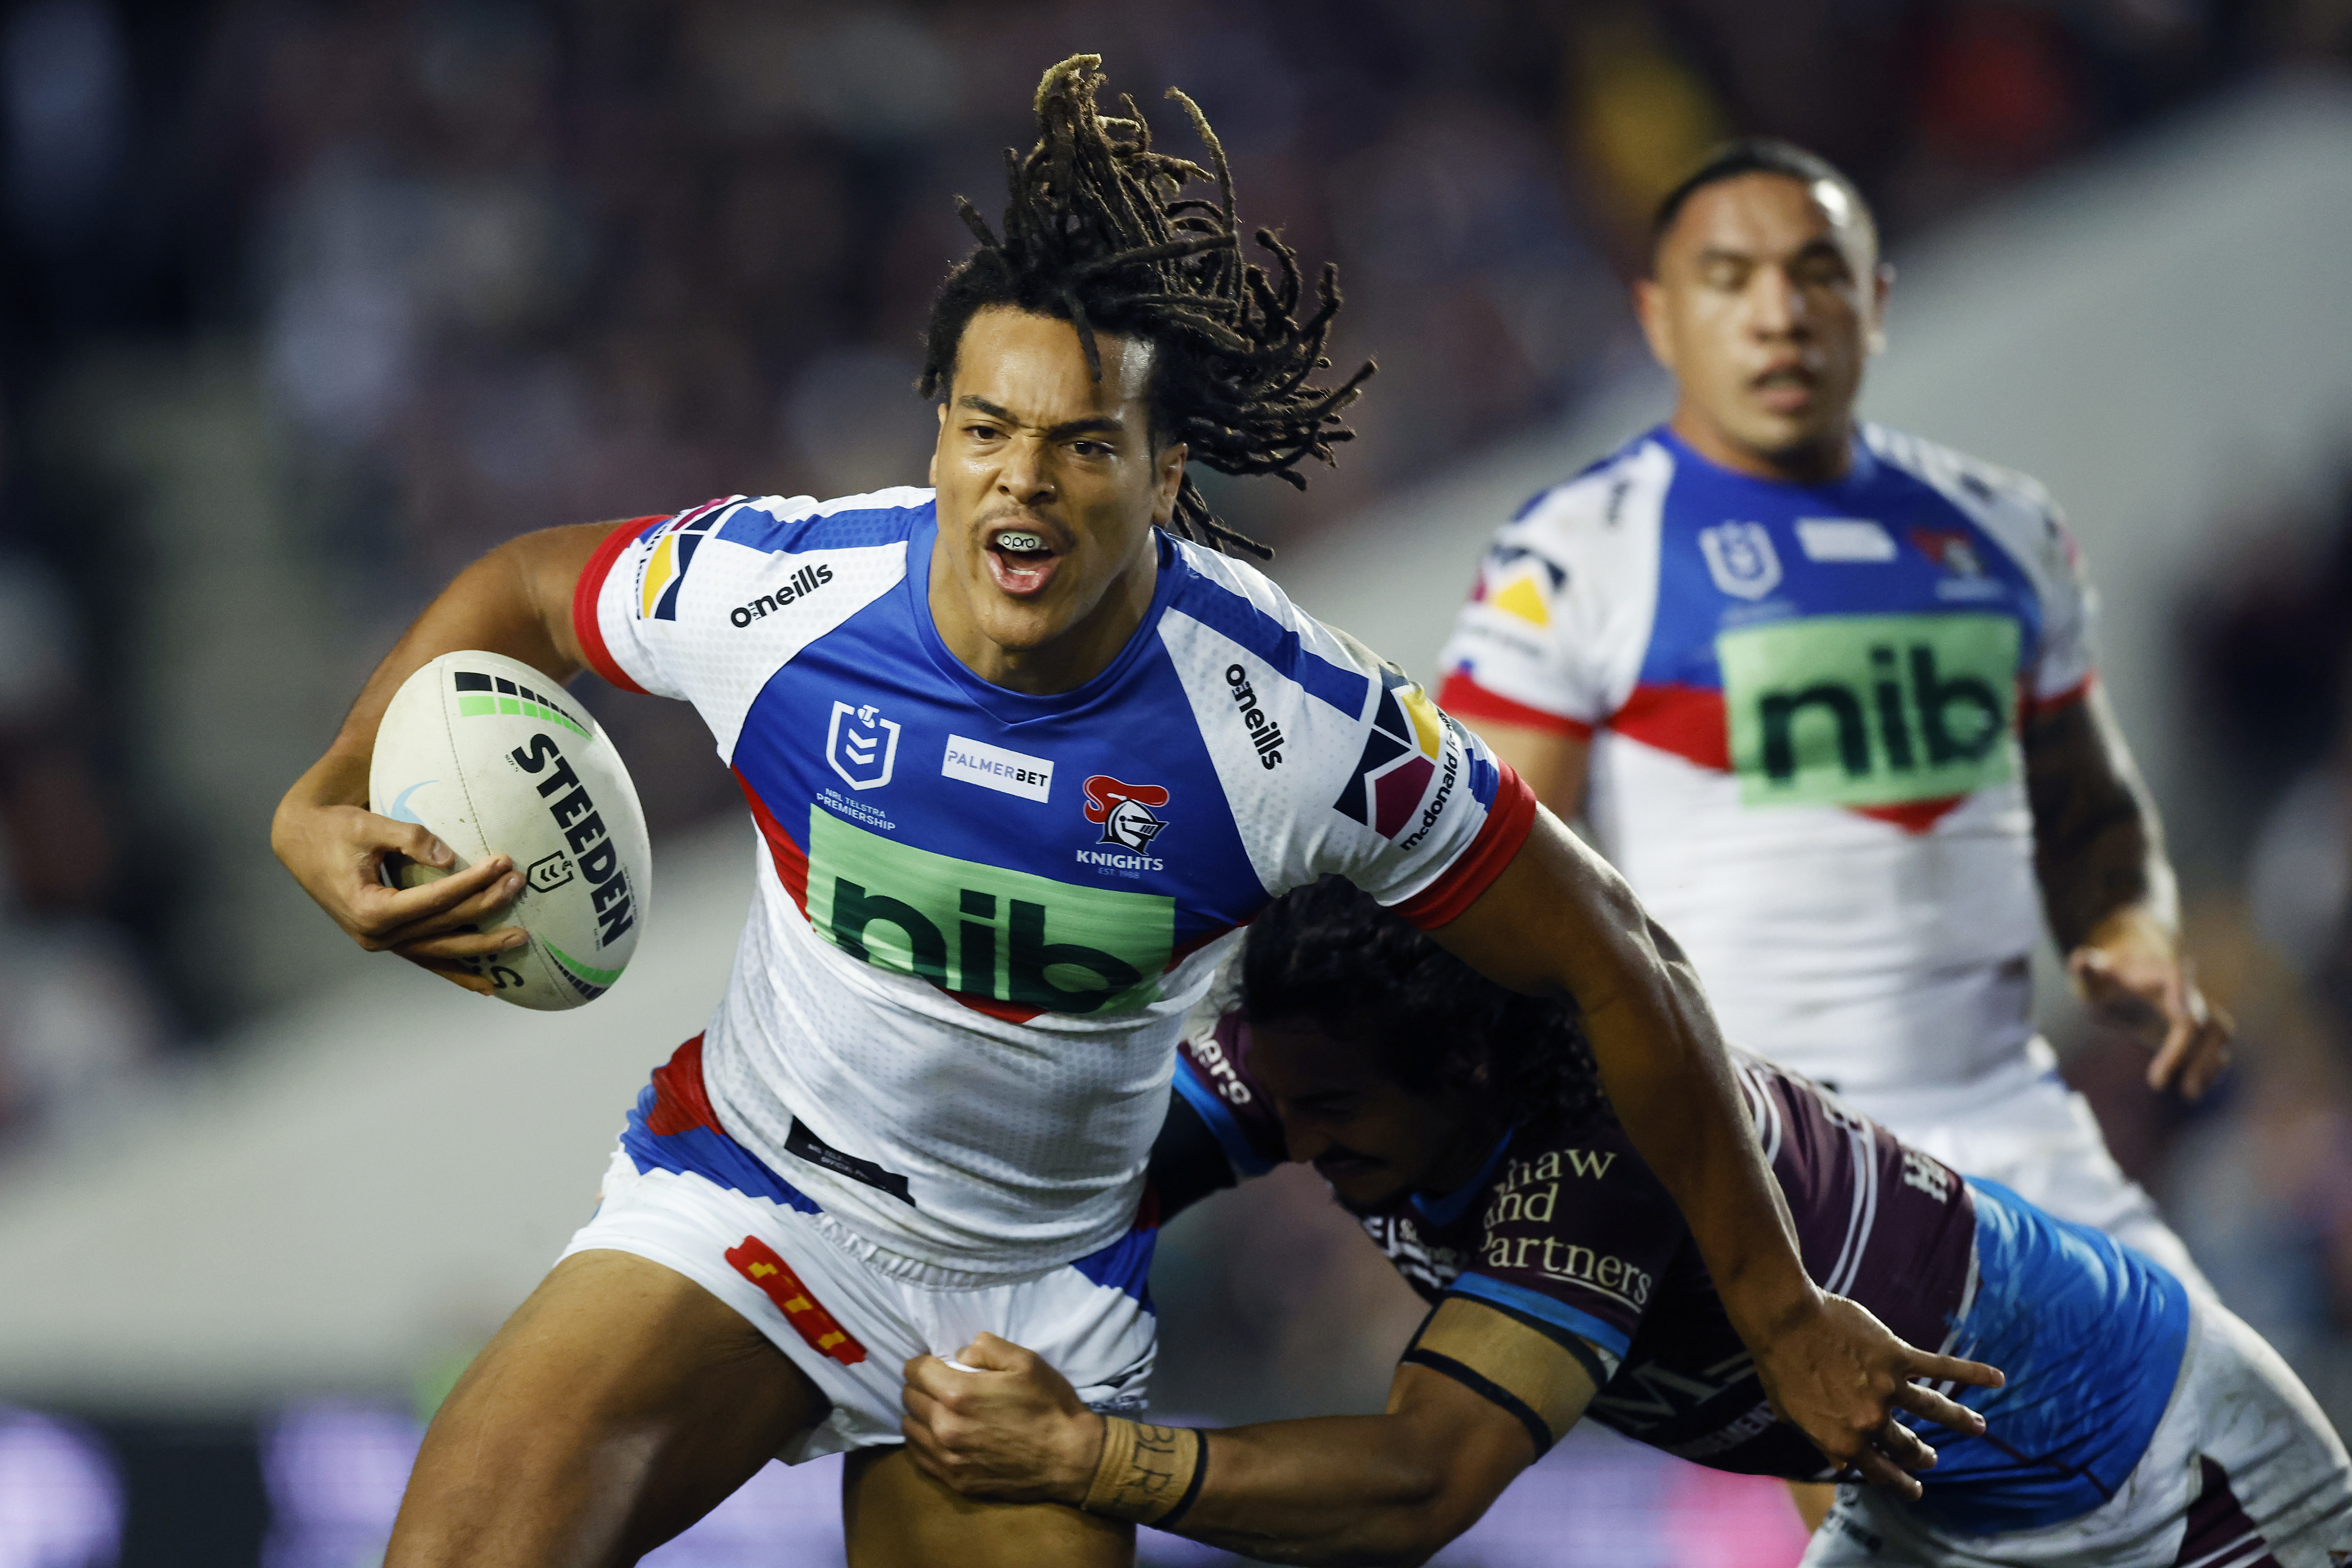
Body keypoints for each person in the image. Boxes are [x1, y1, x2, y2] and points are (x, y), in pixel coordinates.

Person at [268, 62, 1985, 1568]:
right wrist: (329, 794)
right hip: (752, 1205)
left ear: (1165, 477)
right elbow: (524, 588)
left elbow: (1620, 961)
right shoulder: (786, 592)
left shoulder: (1295, 724)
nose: (1022, 477)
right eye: (984, 428)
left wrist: (1782, 1312)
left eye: (1083, 444)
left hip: (1035, 1300)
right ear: (936, 441)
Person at [900, 878, 2352, 1567]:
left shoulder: (1605, 1140)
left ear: (1462, 1068)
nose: (1299, 1142)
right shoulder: (1332, 1052)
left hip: (2164, 1489)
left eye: (1332, 1110)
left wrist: (1084, 1455)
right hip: (1929, 1512)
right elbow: (1051, 1184)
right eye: (1280, 1106)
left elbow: (1421, 1481)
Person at [1434, 142, 2225, 1296]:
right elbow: (1480, 880)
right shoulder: (1571, 555)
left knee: (2264, 1467)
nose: (1777, 315)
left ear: (1876, 301)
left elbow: (2089, 802)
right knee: (1916, 1477)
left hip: (2023, 1126)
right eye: (1728, 278)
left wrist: (2132, 925)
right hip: (1782, 1163)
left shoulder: (2006, 530)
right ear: (1656, 317)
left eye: (1816, 274)